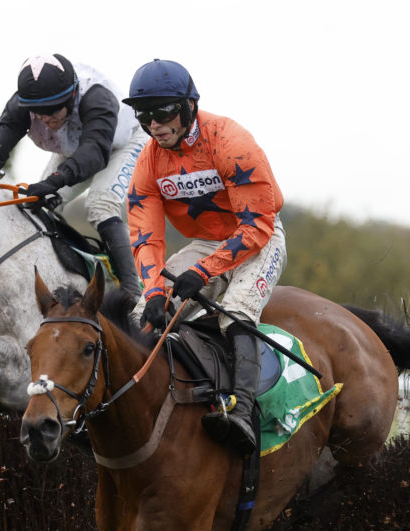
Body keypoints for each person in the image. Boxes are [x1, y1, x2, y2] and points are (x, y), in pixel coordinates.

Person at [121, 59, 287, 455]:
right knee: (143, 314)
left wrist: (202, 270)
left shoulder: (231, 142)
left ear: (189, 106)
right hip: (205, 244)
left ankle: (242, 413)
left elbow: (255, 227)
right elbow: (145, 237)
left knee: (235, 312)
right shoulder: (149, 160)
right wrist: (156, 290)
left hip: (258, 239)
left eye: (163, 113)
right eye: (144, 116)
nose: (154, 125)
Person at [0, 53, 147, 297]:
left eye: (52, 109)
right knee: (39, 208)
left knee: (100, 206)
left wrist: (53, 182)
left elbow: (95, 152)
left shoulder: (97, 96)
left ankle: (133, 293)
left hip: (121, 144)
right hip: (75, 147)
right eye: (38, 112)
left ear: (72, 95)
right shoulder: (22, 104)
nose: (46, 118)